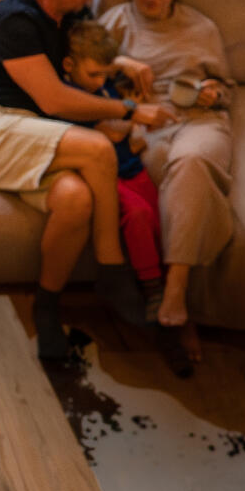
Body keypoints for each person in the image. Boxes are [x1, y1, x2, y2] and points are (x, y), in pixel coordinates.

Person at [0, 0, 170, 363]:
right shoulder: (16, 22)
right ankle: (111, 268)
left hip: (34, 133)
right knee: (98, 149)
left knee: (76, 199)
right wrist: (129, 109)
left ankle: (46, 306)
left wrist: (122, 62)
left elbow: (88, 57)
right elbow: (53, 99)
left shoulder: (70, 17)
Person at [99, 0, 238, 371]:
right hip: (146, 126)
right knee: (168, 176)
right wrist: (120, 63)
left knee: (193, 161)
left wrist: (214, 93)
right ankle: (179, 313)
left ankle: (174, 292)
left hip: (199, 121)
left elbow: (227, 89)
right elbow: (83, 75)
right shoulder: (114, 22)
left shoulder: (201, 27)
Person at [60, 19, 164, 302]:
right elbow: (113, 132)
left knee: (160, 216)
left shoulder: (107, 85)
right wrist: (134, 114)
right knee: (138, 215)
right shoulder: (71, 97)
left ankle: (166, 282)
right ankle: (152, 286)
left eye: (104, 75)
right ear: (69, 65)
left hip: (133, 168)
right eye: (93, 74)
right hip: (107, 176)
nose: (99, 82)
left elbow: (124, 126)